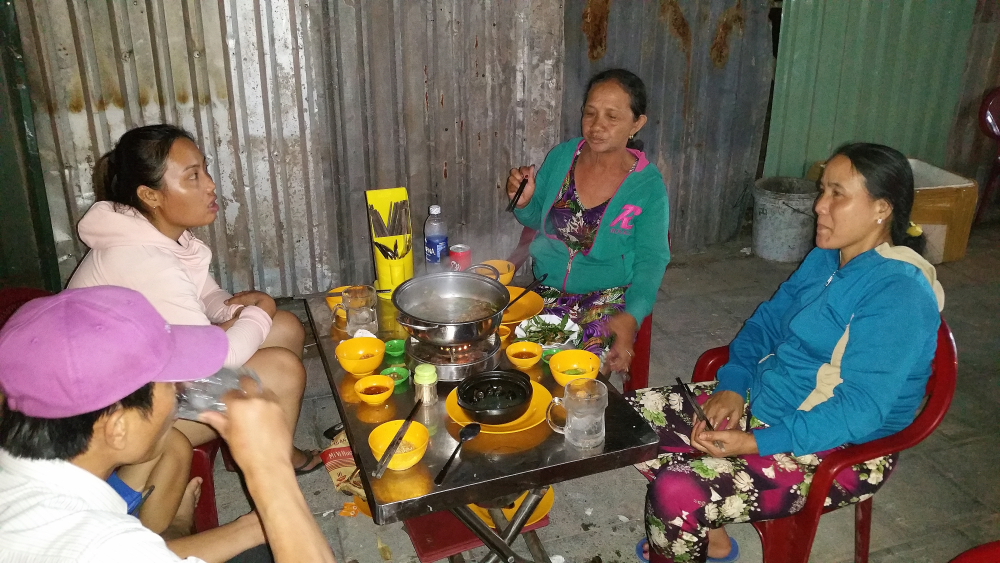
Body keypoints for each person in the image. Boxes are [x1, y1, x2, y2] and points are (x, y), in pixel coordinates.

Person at [629, 143, 945, 562]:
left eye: (837, 194)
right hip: (770, 400)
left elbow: (861, 410)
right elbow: (766, 324)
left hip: (838, 447)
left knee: (676, 490)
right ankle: (713, 538)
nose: (819, 206)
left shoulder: (899, 292)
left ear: (881, 209)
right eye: (822, 190)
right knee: (626, 422)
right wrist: (734, 385)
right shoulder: (827, 257)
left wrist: (755, 442)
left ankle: (688, 524)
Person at [67, 125, 323, 491]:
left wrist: (235, 310)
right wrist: (259, 310)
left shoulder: (153, 232)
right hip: (113, 421)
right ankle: (275, 472)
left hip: (148, 375)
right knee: (283, 370)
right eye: (193, 176)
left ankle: (251, 448)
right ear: (150, 195)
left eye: (205, 169)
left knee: (285, 327)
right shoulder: (140, 257)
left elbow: (206, 295)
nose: (211, 185)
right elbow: (213, 360)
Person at [0, 286, 336, 563]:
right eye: (170, 383)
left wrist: (239, 527)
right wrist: (270, 468)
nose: (181, 391)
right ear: (118, 427)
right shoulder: (103, 548)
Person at [506, 68, 670, 374]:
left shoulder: (647, 186)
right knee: (514, 363)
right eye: (590, 113)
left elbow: (653, 259)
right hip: (547, 288)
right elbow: (537, 219)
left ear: (637, 123)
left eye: (612, 117)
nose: (596, 126)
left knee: (579, 378)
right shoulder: (562, 157)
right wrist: (525, 201)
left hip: (607, 297)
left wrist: (632, 316)